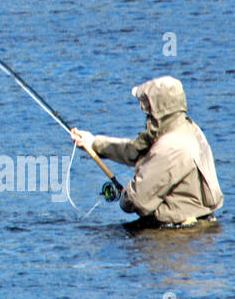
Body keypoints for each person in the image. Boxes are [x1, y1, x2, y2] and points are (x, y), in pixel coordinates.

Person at [71, 76, 224, 228]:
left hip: (181, 233)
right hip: (198, 230)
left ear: (157, 109)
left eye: (147, 108)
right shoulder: (186, 128)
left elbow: (138, 201)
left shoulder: (171, 146)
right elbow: (136, 150)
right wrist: (92, 142)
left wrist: (126, 197)